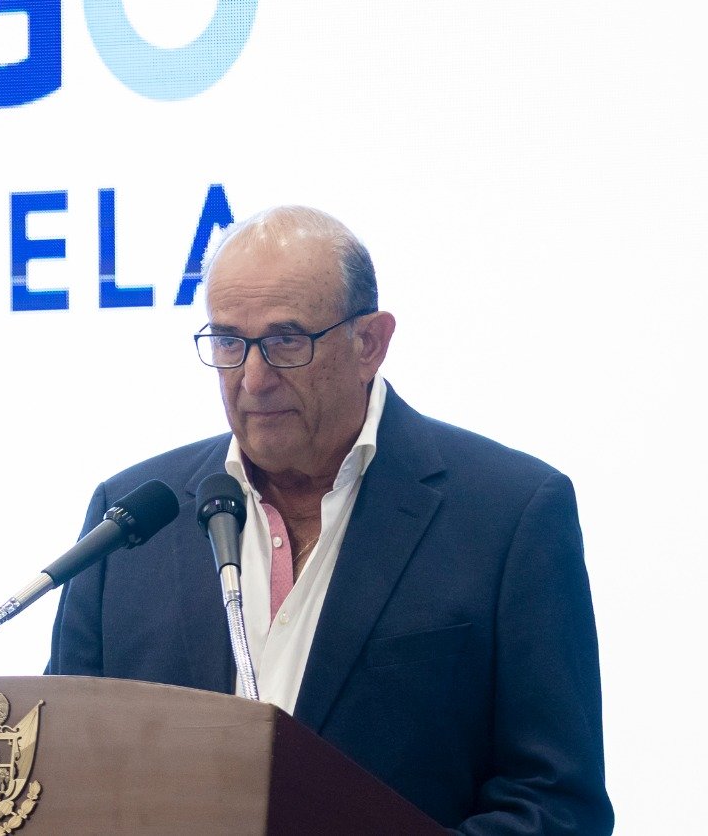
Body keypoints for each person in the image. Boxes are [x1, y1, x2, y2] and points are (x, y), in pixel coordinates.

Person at [48, 206, 611, 835]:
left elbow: (557, 805)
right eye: (229, 342)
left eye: (286, 341)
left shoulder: (509, 512)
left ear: (370, 343)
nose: (252, 378)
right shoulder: (132, 521)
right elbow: (63, 776)